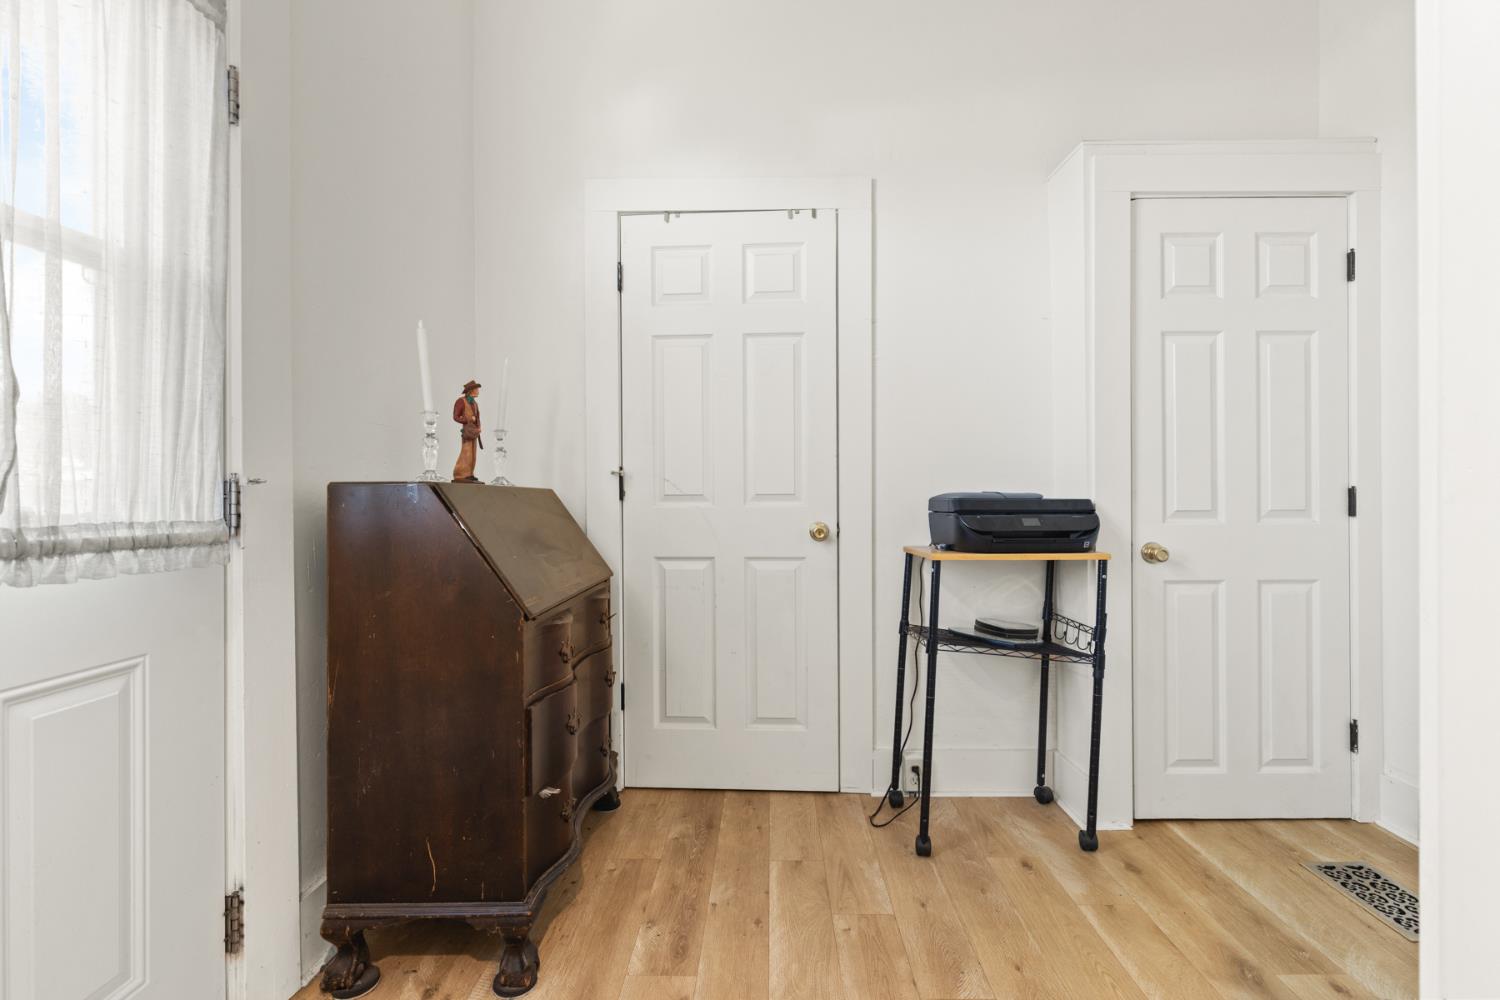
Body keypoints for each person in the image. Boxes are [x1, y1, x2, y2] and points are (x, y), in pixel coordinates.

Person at [451, 380, 483, 482]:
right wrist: (467, 420)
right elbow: (456, 417)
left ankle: (469, 473)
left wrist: (478, 426)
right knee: (466, 452)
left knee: (473, 453)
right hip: (467, 431)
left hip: (474, 431)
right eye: (476, 389)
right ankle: (460, 473)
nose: (478, 391)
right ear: (471, 390)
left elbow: (477, 417)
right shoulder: (461, 401)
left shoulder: (475, 403)